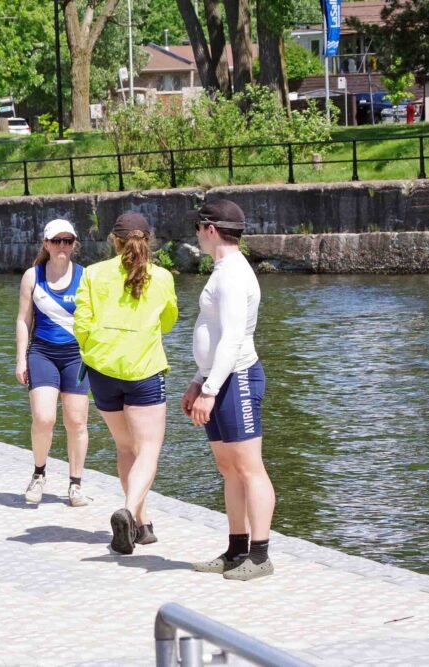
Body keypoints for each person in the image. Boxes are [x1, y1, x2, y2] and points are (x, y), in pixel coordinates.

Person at [182, 200, 275, 581]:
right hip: (217, 380)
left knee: (250, 468)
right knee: (229, 468)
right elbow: (215, 334)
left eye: (197, 228)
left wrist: (210, 389)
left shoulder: (234, 274)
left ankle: (261, 555)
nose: (197, 236)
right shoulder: (223, 270)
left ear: (209, 229)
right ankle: (236, 549)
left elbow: (233, 338)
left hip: (236, 379)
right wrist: (198, 381)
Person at [74, 212, 178, 555]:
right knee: (148, 448)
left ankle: (141, 525)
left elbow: (82, 323)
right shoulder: (161, 277)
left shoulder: (92, 273)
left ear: (112, 240)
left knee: (125, 447)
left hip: (102, 370)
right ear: (149, 239)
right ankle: (129, 512)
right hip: (144, 370)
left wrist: (95, 350)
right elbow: (167, 321)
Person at [15, 219, 91, 507]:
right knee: (44, 418)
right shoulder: (32, 277)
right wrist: (21, 358)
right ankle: (39, 473)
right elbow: (23, 320)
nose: (62, 246)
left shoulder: (85, 277)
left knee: (76, 421)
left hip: (76, 356)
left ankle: (75, 483)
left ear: (74, 244)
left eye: (68, 241)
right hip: (43, 353)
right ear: (46, 244)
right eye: (57, 241)